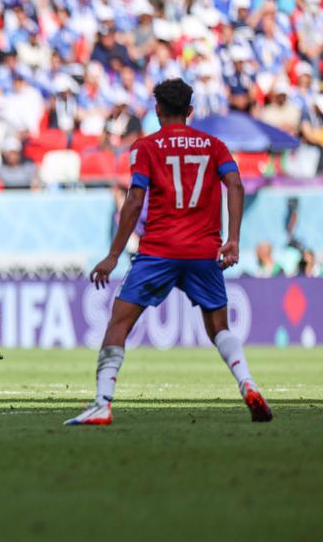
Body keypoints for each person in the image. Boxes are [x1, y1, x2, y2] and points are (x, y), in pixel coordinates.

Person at [65, 79, 272, 426]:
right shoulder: (215, 145)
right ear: (190, 111)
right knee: (220, 328)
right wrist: (233, 239)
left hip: (158, 252)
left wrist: (114, 254)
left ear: (157, 110)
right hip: (204, 251)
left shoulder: (145, 147)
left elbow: (134, 200)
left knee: (118, 323)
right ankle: (248, 383)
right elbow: (235, 184)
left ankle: (102, 404)